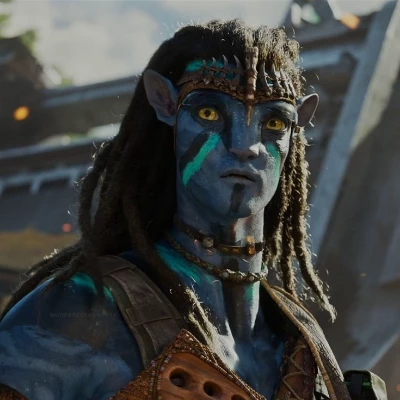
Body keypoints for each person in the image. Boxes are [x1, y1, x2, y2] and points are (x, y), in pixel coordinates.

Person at [0, 20, 351, 400]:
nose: (245, 145)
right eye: (209, 114)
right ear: (165, 105)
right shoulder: (78, 311)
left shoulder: (305, 346)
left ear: (298, 124)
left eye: (275, 121)